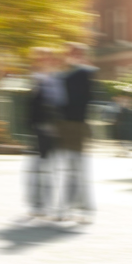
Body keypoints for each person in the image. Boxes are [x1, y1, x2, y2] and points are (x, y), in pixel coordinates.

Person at [55, 42, 95, 223]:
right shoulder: (63, 75)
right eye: (70, 52)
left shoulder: (85, 73)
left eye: (77, 53)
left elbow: (81, 98)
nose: (72, 55)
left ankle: (81, 210)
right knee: (69, 170)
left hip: (76, 127)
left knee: (77, 169)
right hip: (64, 126)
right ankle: (69, 208)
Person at [25, 48, 62, 216]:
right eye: (40, 58)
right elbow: (31, 107)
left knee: (49, 168)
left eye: (46, 58)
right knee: (37, 167)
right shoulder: (35, 79)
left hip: (51, 129)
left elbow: (58, 105)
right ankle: (37, 204)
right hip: (38, 129)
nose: (42, 61)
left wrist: (54, 125)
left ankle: (46, 204)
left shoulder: (55, 81)